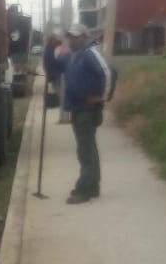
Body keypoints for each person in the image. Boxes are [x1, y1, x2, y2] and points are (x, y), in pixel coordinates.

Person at [62, 23, 117, 204]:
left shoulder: (90, 53)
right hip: (78, 108)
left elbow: (108, 73)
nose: (71, 40)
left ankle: (84, 189)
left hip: (87, 110)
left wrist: (102, 97)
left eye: (75, 37)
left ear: (84, 37)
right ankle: (93, 186)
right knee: (87, 149)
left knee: (85, 151)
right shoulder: (76, 55)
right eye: (70, 36)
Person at [42, 30, 69, 123]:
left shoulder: (55, 46)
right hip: (55, 74)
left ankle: (64, 117)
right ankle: (65, 116)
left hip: (56, 75)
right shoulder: (53, 46)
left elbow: (60, 59)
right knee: (61, 95)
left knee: (62, 96)